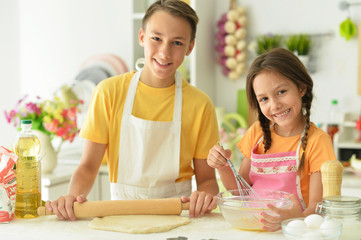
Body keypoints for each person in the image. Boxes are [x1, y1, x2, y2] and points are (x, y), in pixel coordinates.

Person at [46, 0, 219, 221]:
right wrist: (71, 197)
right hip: (120, 217)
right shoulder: (108, 92)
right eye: (156, 38)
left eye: (177, 42)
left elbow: (207, 180)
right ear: (142, 37)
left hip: (179, 217)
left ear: (190, 47)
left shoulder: (200, 105)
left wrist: (205, 197)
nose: (165, 52)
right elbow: (88, 166)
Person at [207, 48, 336, 231]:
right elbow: (242, 191)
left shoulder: (318, 141)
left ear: (301, 87)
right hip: (252, 229)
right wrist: (222, 165)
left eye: (281, 91)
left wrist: (296, 217)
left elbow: (318, 210)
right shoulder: (257, 132)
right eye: (264, 99)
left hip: (292, 231)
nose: (274, 105)